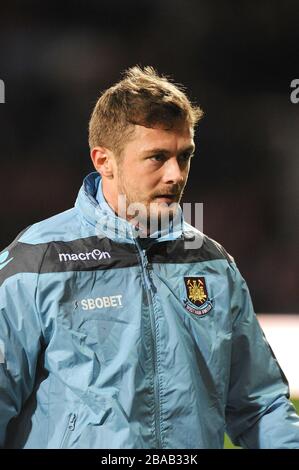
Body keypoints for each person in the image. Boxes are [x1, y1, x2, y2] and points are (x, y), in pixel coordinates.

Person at [0, 66, 298, 450]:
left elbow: (260, 407)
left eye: (184, 156)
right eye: (157, 157)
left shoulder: (212, 265)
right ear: (103, 160)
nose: (176, 175)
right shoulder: (38, 262)